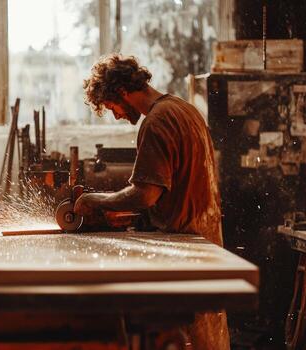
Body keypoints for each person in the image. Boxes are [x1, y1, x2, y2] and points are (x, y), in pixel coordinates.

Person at [74, 54, 230, 350]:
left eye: (112, 107)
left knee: (184, 338)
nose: (117, 115)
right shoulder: (186, 110)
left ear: (121, 91)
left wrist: (96, 201)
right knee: (208, 338)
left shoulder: (156, 122)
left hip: (182, 251)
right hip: (207, 244)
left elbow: (145, 194)